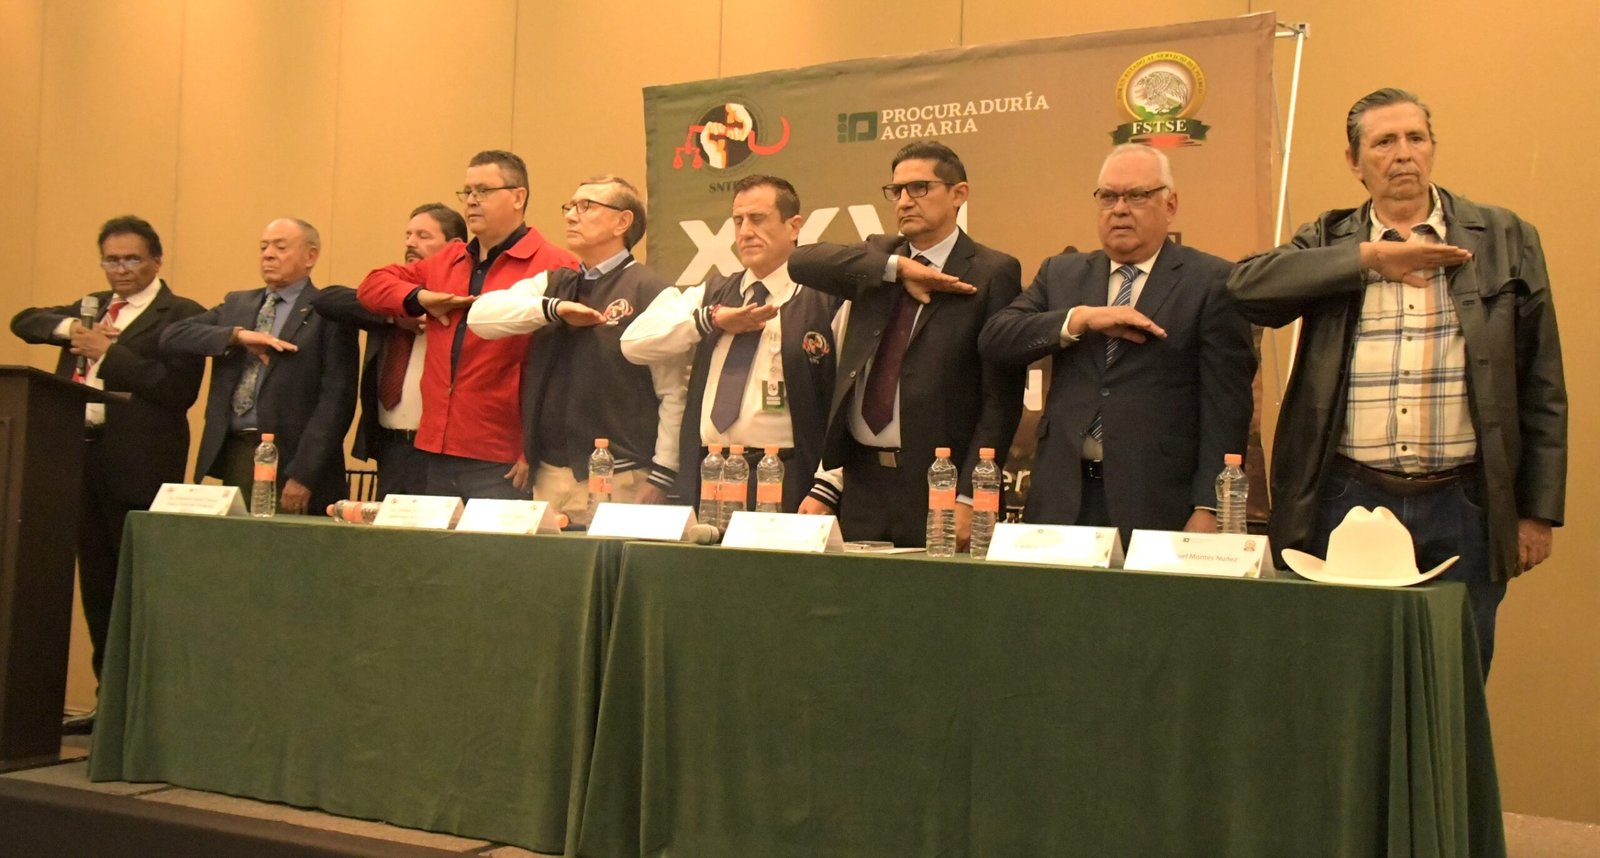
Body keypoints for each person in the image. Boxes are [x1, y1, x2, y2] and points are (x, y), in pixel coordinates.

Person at [1228, 88, 1567, 674]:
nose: (1403, 153)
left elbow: (1542, 383)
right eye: (1384, 142)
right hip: (1347, 498)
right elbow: (1246, 288)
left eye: (1416, 138)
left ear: (1433, 148)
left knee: (1454, 676)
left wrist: (1537, 512)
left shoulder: (1505, 237)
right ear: (1354, 161)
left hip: (1465, 502)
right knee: (1343, 674)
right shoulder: (1330, 238)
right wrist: (1367, 260)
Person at [979, 144, 1256, 540]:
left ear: (1171, 204)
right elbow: (996, 339)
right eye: (1108, 196)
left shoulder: (1211, 281)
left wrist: (1209, 506)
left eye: (1137, 195)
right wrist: (1081, 319)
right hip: (1061, 499)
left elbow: (1227, 405)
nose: (1120, 209)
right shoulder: (1061, 274)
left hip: (1159, 501)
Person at [789, 141, 1025, 548]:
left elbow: (1000, 399)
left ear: (958, 194)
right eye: (896, 190)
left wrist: (972, 496)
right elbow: (800, 261)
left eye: (919, 188)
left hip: (940, 482)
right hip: (863, 483)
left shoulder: (991, 271)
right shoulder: (877, 260)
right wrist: (897, 269)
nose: (904, 201)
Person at [10, 216, 205, 686]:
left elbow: (176, 391)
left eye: (132, 259)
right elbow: (24, 321)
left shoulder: (182, 314)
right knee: (95, 586)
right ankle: (106, 695)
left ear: (156, 260)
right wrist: (71, 328)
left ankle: (135, 698)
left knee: (134, 585)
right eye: (111, 260)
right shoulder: (92, 306)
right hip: (77, 459)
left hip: (139, 466)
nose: (121, 270)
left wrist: (108, 352)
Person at [358, 150, 577, 499]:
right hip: (434, 449)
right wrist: (421, 297)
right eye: (468, 192)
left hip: (503, 456)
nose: (472, 201)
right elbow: (371, 286)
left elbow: (564, 372)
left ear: (518, 197)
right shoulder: (449, 258)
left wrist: (533, 447)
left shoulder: (555, 264)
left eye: (483, 191)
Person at [468, 175, 685, 526]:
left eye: (586, 207)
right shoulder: (555, 283)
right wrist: (553, 308)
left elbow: (673, 392)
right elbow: (480, 317)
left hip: (621, 475)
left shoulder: (652, 291)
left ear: (622, 222)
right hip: (550, 473)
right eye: (569, 207)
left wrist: (662, 474)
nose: (571, 216)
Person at [620, 175, 842, 513]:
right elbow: (633, 343)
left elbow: (847, 401)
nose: (745, 231)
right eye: (738, 221)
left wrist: (830, 483)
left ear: (794, 226)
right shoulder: (714, 294)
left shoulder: (824, 298)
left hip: (788, 470)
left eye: (758, 219)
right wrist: (710, 319)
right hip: (712, 470)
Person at [161, 218, 359, 515]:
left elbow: (336, 402)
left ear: (310, 256)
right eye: (263, 247)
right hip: (239, 449)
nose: (268, 255)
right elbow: (172, 336)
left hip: (294, 459)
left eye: (280, 247)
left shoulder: (327, 311)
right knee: (237, 540)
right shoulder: (238, 304)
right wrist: (237, 336)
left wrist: (304, 474)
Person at [311, 203, 466, 497]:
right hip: (390, 448)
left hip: (442, 452)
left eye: (423, 236)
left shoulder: (460, 299)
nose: (410, 243)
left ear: (454, 246)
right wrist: (397, 314)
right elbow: (325, 300)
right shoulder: (389, 295)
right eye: (408, 235)